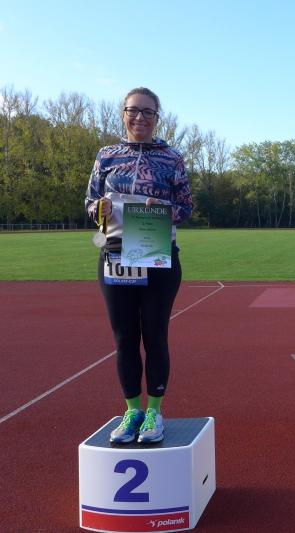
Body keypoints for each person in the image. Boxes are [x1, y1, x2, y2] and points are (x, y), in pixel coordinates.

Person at [85, 87, 193, 443]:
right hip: (115, 254)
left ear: (157, 118)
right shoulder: (106, 155)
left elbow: (186, 208)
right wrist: (97, 209)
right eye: (133, 110)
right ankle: (132, 411)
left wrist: (161, 209)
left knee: (155, 335)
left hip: (156, 254)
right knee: (125, 338)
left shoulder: (172, 158)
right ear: (123, 113)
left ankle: (155, 413)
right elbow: (90, 201)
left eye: (148, 112)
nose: (140, 118)